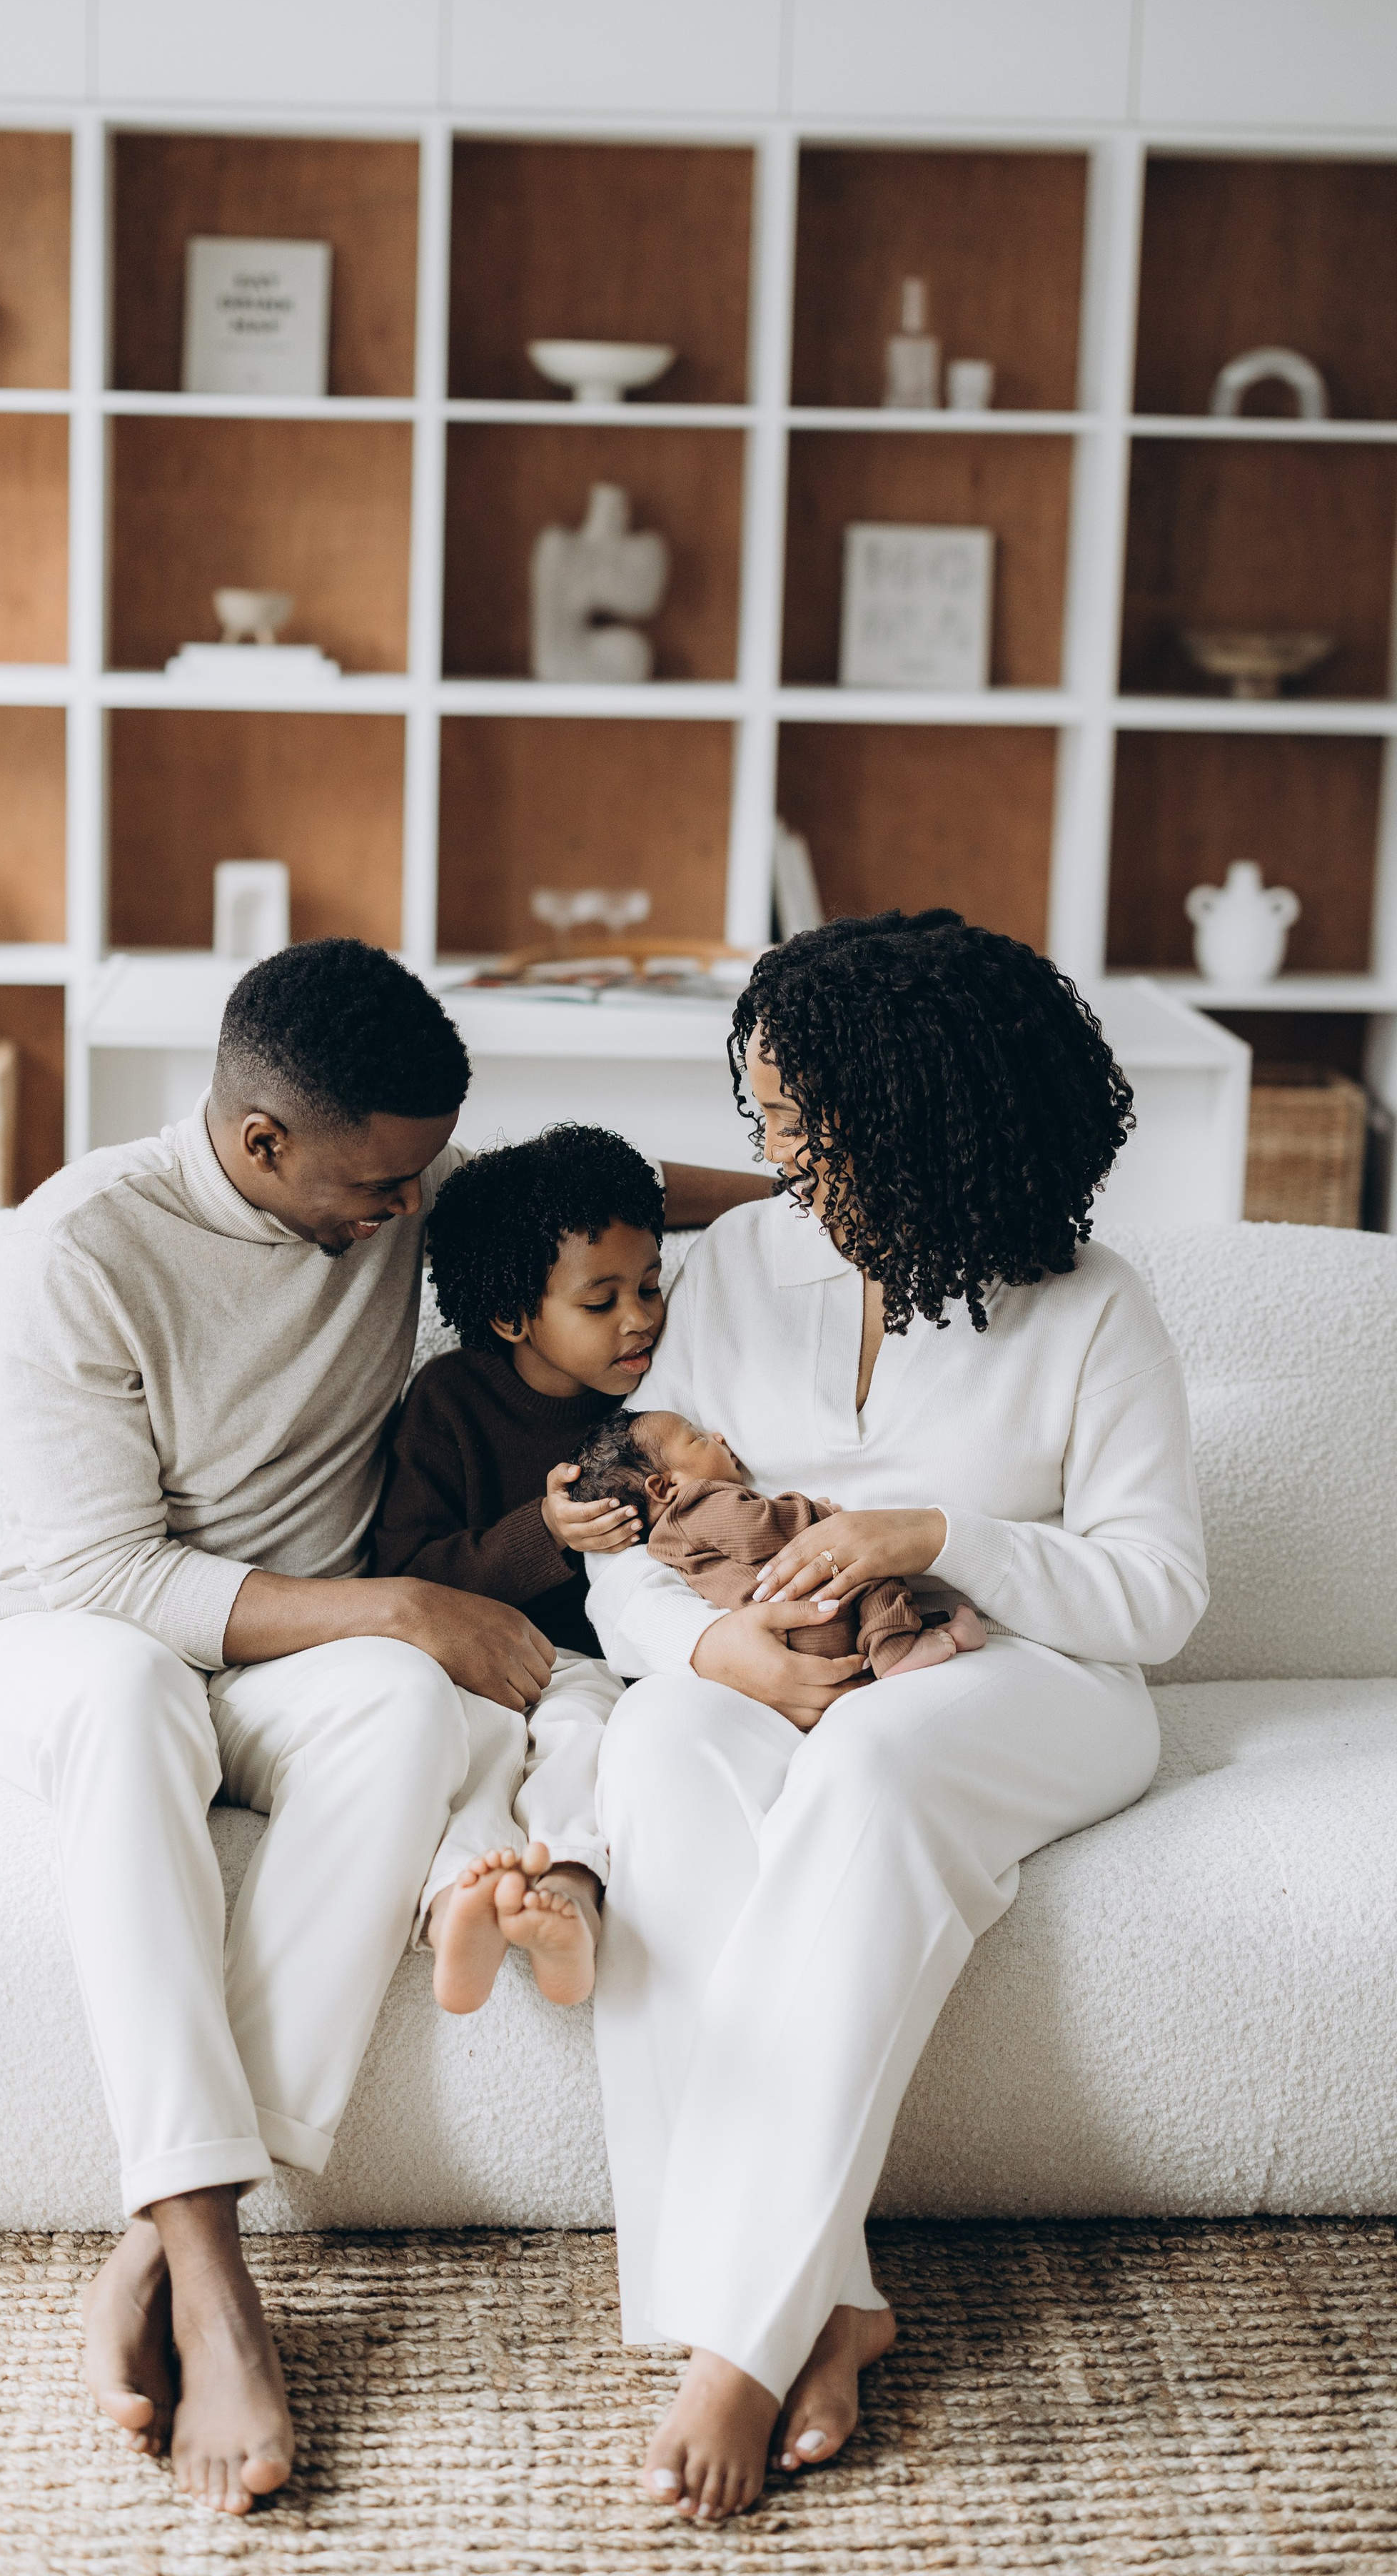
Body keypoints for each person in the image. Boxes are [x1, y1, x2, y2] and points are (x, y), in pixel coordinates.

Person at [0, 939, 769, 2515]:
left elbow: (601, 1192)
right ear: (261, 1144)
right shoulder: (85, 1246)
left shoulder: (396, 1181)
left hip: (293, 1659)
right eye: (380, 1189)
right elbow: (107, 1576)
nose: (408, 1214)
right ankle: (206, 2255)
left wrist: (813, 1191)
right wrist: (400, 1603)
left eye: (424, 1177)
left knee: (396, 1702)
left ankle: (142, 2253)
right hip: (63, 1635)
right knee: (145, 1698)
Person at [584, 910, 1208, 2523]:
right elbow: (633, 1560)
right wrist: (715, 1657)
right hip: (769, 1667)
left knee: (865, 1760)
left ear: (927, 1115)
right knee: (647, 1747)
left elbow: (1152, 1596)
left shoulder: (1090, 1304)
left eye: (804, 1119)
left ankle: (734, 2335)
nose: (772, 1150)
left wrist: (930, 1534)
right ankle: (829, 2297)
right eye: (765, 1114)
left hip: (1025, 1682)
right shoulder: (731, 1269)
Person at [369, 1126, 660, 2015]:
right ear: (512, 1317)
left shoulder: (658, 1402)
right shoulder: (450, 1401)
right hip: (470, 1661)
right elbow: (405, 1569)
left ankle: (567, 1891)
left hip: (588, 1666)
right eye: (600, 1301)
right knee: (478, 1754)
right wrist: (545, 1531)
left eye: (650, 1287)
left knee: (583, 1737)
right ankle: (465, 1899)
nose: (638, 1317)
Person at [568, 1409, 982, 1675]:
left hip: (776, 1638)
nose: (718, 1436)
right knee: (872, 1569)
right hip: (811, 1615)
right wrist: (813, 1513)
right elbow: (758, 1529)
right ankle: (897, 1649)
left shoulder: (665, 1546)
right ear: (665, 1486)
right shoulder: (700, 1504)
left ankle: (922, 1638)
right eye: (697, 1438)